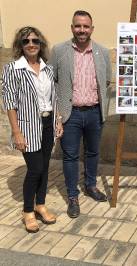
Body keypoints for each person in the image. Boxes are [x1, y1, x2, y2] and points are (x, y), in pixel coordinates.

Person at [50, 10, 111, 218]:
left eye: (86, 26)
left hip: (95, 112)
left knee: (93, 153)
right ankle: (72, 196)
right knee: (70, 156)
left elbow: (107, 81)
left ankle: (91, 186)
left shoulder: (102, 52)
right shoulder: (59, 51)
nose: (82, 30)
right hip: (71, 114)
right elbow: (52, 83)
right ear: (72, 28)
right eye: (78, 26)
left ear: (91, 29)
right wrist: (57, 115)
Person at [2, 26, 63, 232]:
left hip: (47, 124)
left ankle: (40, 205)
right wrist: (16, 131)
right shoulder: (13, 69)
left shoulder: (48, 68)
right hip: (28, 126)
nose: (31, 45)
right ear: (20, 45)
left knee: (45, 168)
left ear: (40, 44)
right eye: (26, 41)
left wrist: (58, 121)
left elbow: (54, 98)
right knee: (35, 169)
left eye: (35, 41)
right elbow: (9, 102)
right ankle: (27, 210)